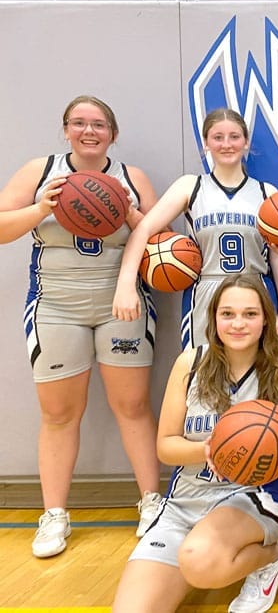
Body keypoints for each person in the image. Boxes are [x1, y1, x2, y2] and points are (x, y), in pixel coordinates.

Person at [0, 95, 161, 556]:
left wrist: (129, 212)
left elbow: (165, 245)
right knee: (58, 414)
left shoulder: (133, 178)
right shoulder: (40, 171)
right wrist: (41, 209)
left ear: (113, 132)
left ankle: (150, 502)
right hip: (55, 306)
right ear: (66, 129)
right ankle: (54, 515)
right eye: (79, 123)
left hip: (122, 304)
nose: (89, 131)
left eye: (98, 124)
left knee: (132, 406)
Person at [111, 274, 278, 613]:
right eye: (227, 314)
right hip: (185, 503)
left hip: (252, 496)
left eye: (250, 314)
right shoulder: (190, 363)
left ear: (265, 318)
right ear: (214, 317)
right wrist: (210, 450)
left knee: (199, 561)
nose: (238, 324)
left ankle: (270, 558)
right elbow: (165, 447)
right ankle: (207, 550)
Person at [113, 108, 278, 348]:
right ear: (206, 143)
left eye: (234, 136)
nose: (226, 144)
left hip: (256, 291)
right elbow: (143, 231)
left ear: (246, 142)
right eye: (218, 137)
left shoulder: (266, 192)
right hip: (206, 291)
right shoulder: (191, 186)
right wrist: (125, 284)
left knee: (260, 379)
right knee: (202, 377)